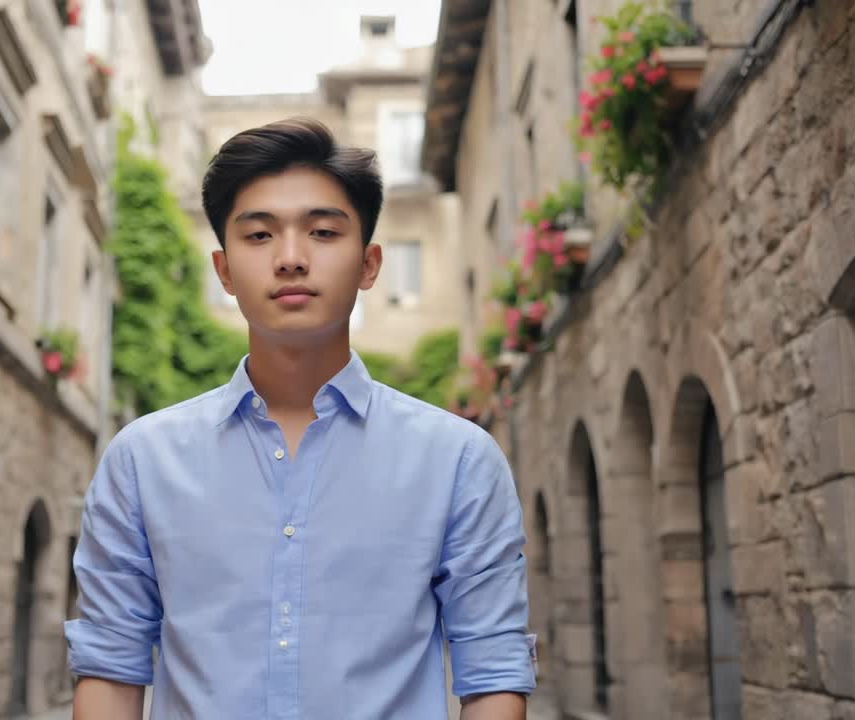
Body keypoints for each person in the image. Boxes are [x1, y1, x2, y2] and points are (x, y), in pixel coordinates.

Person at [65, 117, 537, 719]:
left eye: (322, 232)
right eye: (260, 235)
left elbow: (494, 671)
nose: (290, 259)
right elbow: (110, 666)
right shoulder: (142, 461)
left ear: (369, 265)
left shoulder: (459, 461)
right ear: (224, 270)